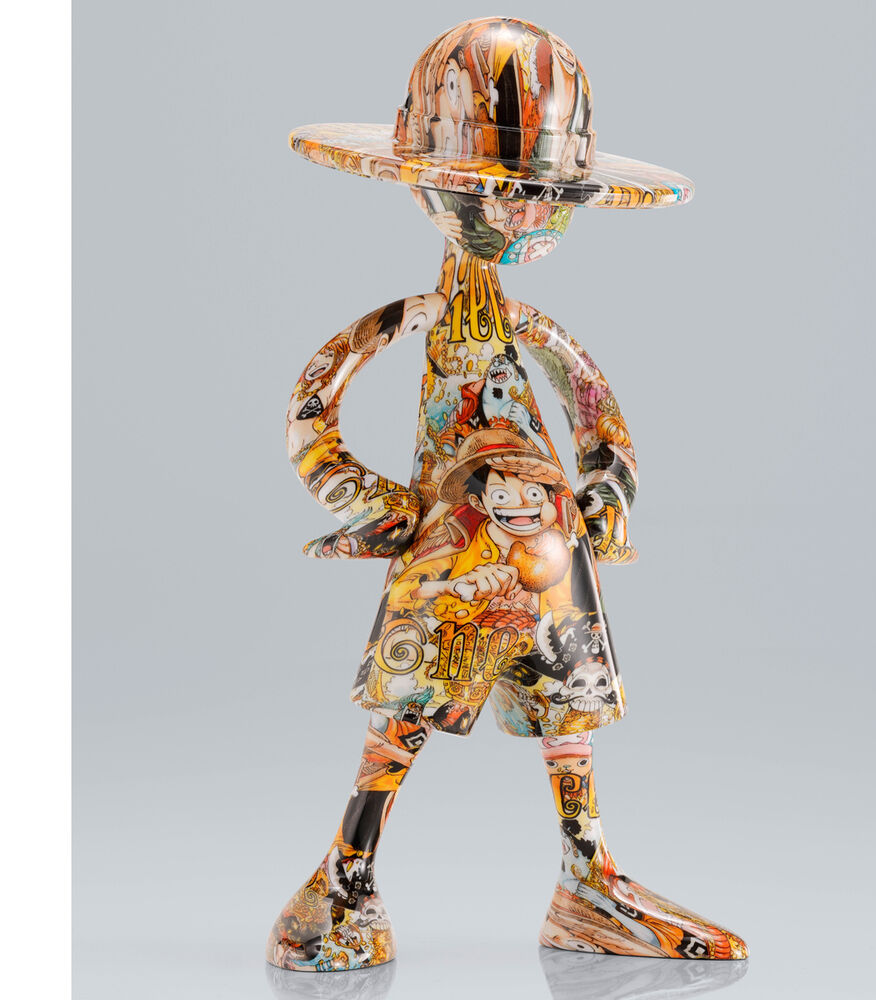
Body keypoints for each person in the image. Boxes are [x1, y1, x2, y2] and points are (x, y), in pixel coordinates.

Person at [266, 17, 747, 972]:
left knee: (568, 715)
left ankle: (588, 883)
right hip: (452, 548)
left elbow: (599, 418)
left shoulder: (531, 328)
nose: (524, 216)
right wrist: (370, 501)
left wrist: (605, 492)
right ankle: (342, 882)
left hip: (555, 557)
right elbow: (314, 407)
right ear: (426, 187)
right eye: (497, 193)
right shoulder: (419, 319)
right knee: (407, 710)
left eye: (543, 197)